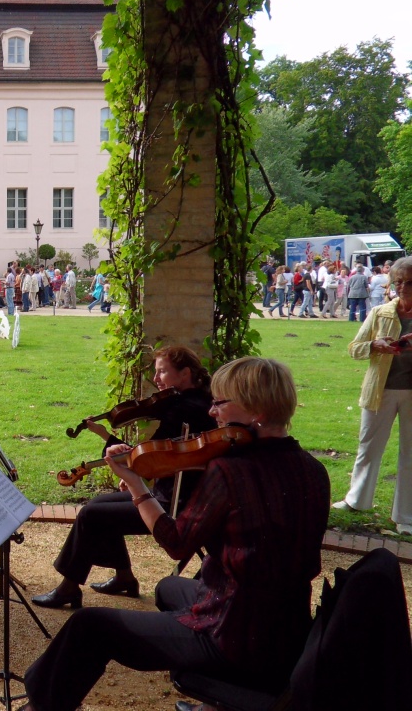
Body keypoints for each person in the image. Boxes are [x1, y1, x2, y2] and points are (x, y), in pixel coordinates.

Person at [24, 357, 330, 710]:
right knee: (169, 588)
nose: (212, 412)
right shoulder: (313, 469)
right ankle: (218, 702)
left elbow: (175, 541)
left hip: (235, 639)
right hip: (288, 634)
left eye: (220, 402)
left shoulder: (230, 472)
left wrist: (137, 485)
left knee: (89, 626)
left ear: (256, 407)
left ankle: (40, 706)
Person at [32, 346, 215, 610]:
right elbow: (156, 455)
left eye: (162, 371)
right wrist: (108, 440)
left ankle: (68, 588)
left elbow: (150, 461)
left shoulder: (183, 409)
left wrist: (118, 453)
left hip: (173, 504)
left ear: (185, 373)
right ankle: (124, 577)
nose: (157, 379)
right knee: (98, 504)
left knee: (91, 515)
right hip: (173, 492)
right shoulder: (198, 403)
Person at [334, 256, 412, 535]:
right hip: (380, 390)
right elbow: (354, 348)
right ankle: (356, 500)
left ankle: (406, 515)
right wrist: (375, 345)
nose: (403, 288)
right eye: (398, 282)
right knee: (369, 446)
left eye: (409, 283)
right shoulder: (380, 312)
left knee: (410, 454)